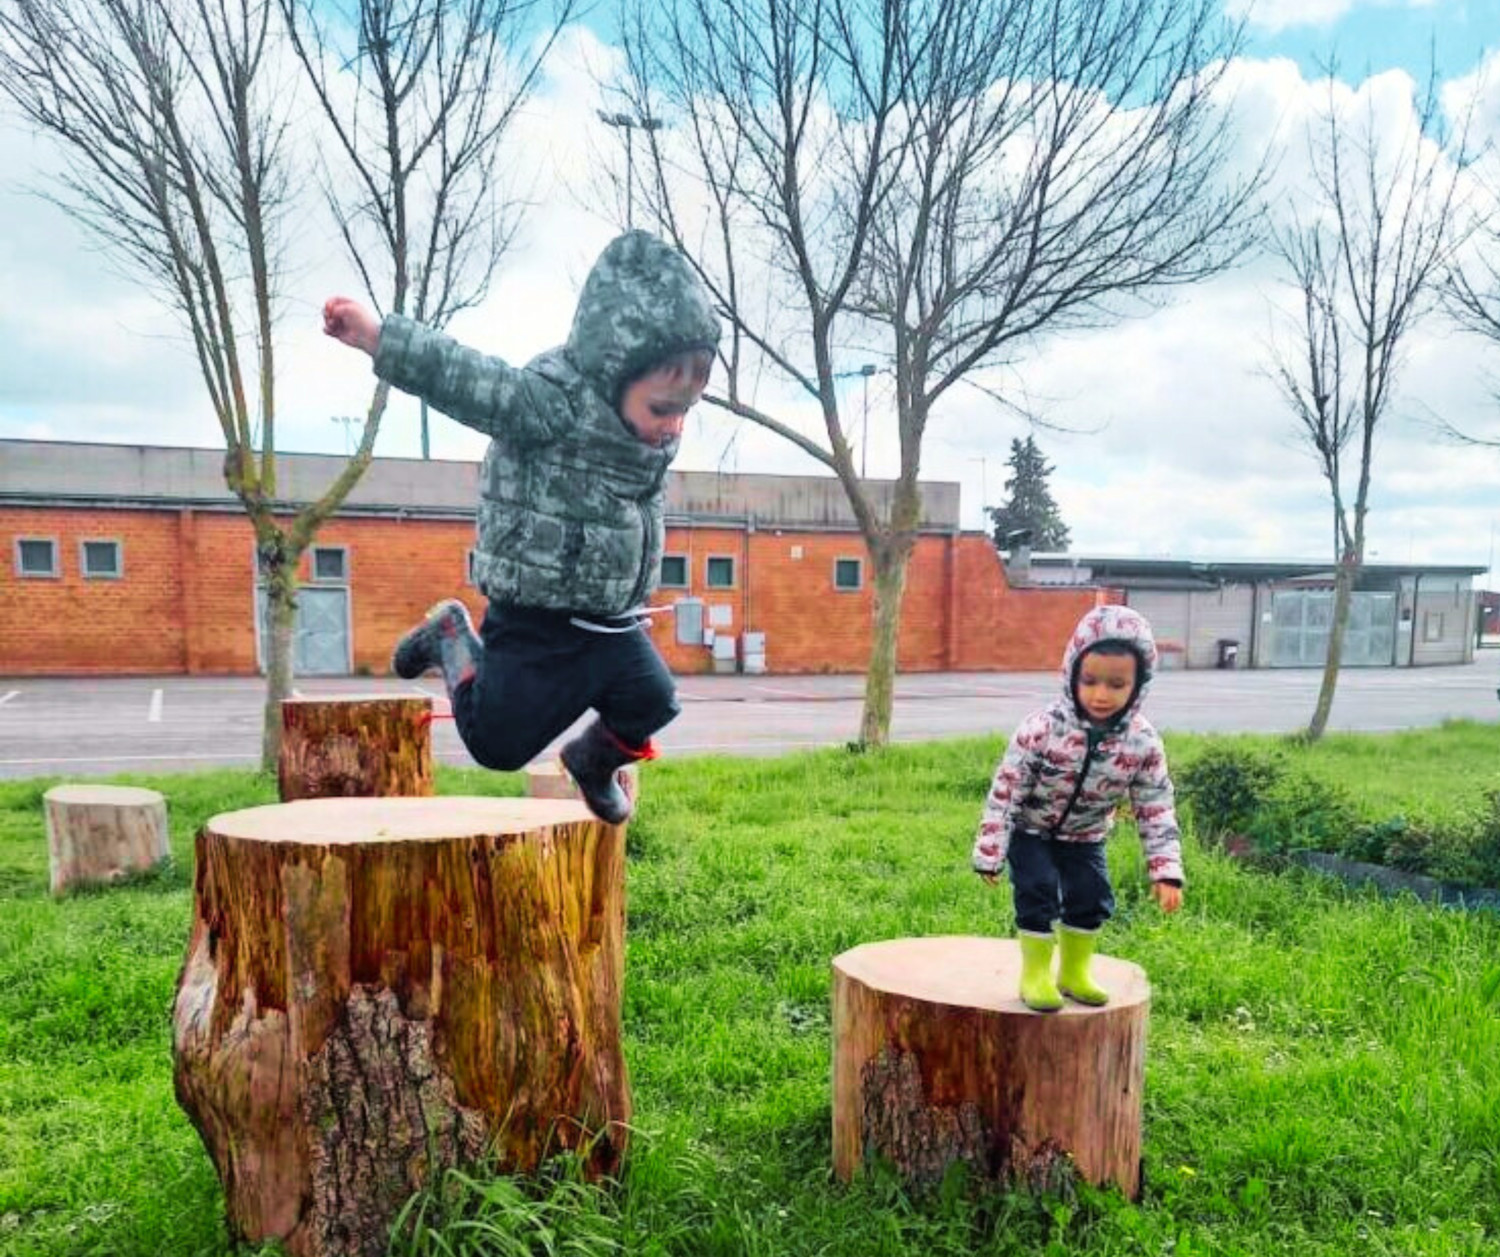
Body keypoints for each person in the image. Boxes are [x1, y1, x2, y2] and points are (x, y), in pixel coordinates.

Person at [321, 230, 720, 823]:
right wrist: (379, 337)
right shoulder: (548, 403)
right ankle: (450, 635)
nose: (674, 426)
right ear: (612, 375)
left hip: (609, 622)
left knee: (653, 699)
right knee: (497, 745)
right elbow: (466, 378)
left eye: (686, 410)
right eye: (662, 409)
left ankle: (590, 762)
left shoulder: (649, 440)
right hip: (536, 619)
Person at [972, 605, 1184, 1012]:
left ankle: (1073, 971)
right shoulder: (1042, 729)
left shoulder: (1142, 742)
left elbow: (1155, 805)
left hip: (1086, 835)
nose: (1101, 695)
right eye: (1090, 681)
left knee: (1091, 895)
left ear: (1139, 685)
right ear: (1072, 674)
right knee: (1037, 890)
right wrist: (990, 852)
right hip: (1031, 830)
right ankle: (1035, 974)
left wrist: (1166, 871)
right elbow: (1007, 790)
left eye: (1117, 684)